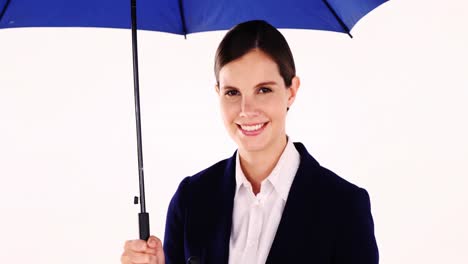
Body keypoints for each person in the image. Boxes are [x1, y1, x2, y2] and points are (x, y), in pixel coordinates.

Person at [121, 20, 378, 264]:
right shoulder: (191, 200)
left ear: (291, 91)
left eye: (263, 90)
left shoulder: (344, 207)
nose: (246, 109)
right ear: (218, 93)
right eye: (232, 92)